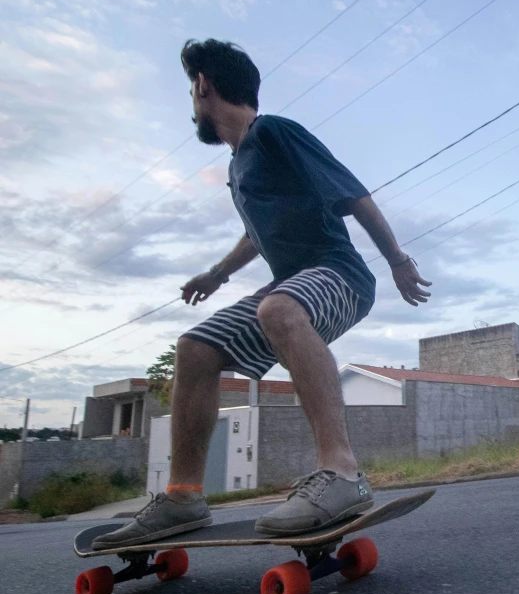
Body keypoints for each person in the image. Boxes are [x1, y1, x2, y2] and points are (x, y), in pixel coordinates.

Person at [93, 39, 431, 550]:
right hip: (290, 285)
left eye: (191, 89)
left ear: (203, 85)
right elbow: (258, 233)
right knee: (195, 348)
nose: (192, 101)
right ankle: (183, 495)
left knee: (280, 306)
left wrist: (397, 261)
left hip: (340, 274)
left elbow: (354, 193)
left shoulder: (273, 131)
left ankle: (340, 472)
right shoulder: (238, 167)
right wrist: (217, 273)